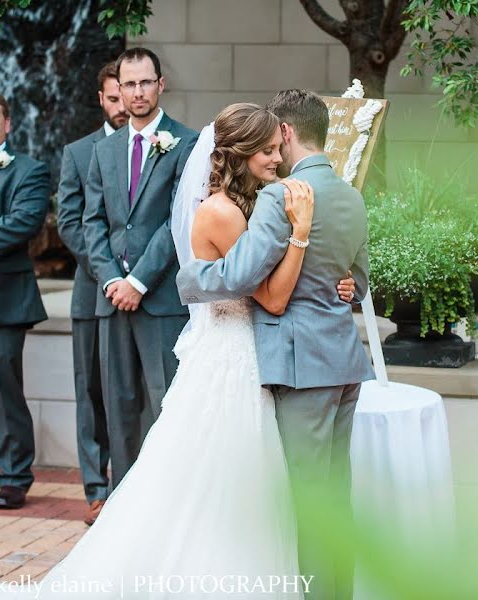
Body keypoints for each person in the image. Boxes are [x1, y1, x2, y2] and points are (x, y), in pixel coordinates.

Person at [0, 104, 357, 599]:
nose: (279, 159)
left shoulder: (247, 205)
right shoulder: (223, 213)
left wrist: (338, 281)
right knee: (222, 472)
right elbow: (272, 296)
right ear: (240, 155)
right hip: (233, 355)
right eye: (269, 151)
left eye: (279, 148)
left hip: (247, 351)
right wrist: (299, 233)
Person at [177, 89, 374, 600]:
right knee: (335, 498)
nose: (271, 154)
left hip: (299, 364)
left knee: (306, 502)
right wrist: (346, 284)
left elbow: (242, 275)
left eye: (272, 141)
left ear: (284, 133)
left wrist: (190, 278)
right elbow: (361, 279)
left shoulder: (279, 196)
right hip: (344, 361)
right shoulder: (351, 195)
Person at [82, 47, 197, 486]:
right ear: (118, 89)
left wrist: (138, 280)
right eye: (128, 84)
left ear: (160, 84)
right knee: (119, 408)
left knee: (165, 404)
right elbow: (93, 221)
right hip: (111, 301)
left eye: (145, 82)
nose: (137, 92)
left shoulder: (185, 143)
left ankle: (167, 499)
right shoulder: (105, 150)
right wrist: (113, 278)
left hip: (161, 300)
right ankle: (122, 510)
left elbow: (177, 221)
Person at [56, 61, 128, 525]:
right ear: (101, 100)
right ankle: (96, 489)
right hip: (93, 294)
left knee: (130, 393)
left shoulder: (156, 147)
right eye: (114, 98)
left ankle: (128, 486)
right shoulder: (79, 152)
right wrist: (108, 272)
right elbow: (68, 222)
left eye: (128, 96)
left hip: (144, 291)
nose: (123, 106)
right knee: (92, 393)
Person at [0, 92, 49, 510]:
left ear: (7, 123)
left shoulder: (28, 170)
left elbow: (22, 224)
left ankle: (14, 476)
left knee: (4, 385)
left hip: (5, 301)